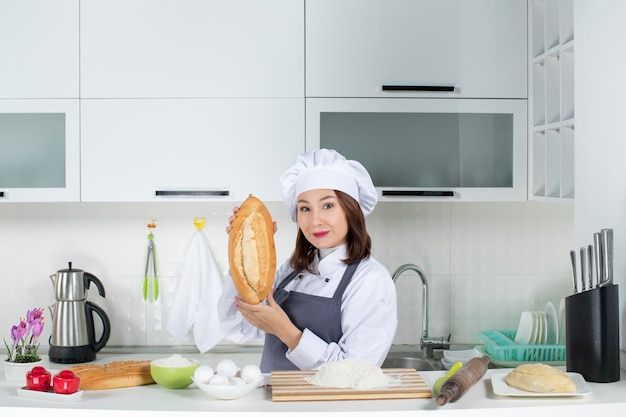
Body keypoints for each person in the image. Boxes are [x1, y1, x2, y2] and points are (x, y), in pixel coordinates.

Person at [217, 148, 397, 372]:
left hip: (324, 406)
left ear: (352, 210)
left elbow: (356, 373)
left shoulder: (371, 281)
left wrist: (287, 333)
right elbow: (237, 328)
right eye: (305, 208)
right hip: (273, 402)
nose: (315, 221)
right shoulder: (293, 270)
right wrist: (244, 250)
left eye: (328, 205)